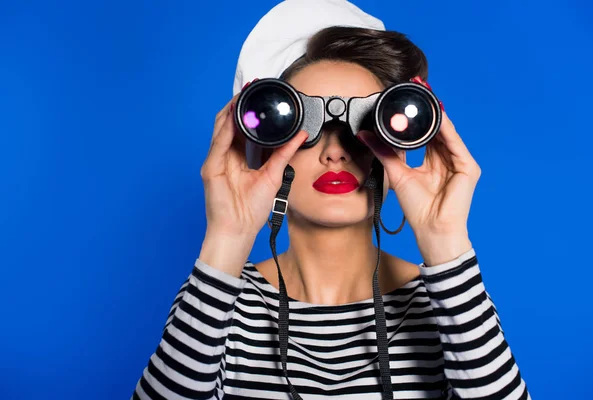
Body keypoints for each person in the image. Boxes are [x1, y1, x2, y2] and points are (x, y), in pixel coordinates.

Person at [132, 1, 531, 399]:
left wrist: (445, 240)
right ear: (264, 146)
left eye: (364, 127)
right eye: (303, 127)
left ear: (399, 143)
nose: (335, 152)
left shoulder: (448, 302)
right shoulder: (217, 301)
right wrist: (227, 237)